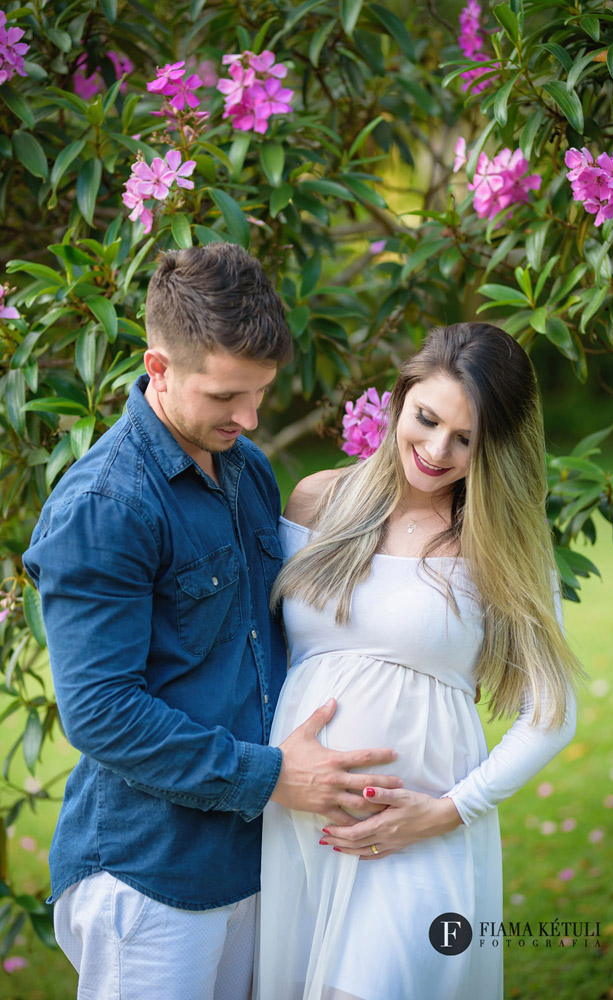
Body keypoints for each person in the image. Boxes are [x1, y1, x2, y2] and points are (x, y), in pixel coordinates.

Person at [22, 243, 402, 1000]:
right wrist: (269, 778)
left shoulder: (246, 468)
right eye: (227, 395)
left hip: (253, 862)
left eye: (260, 392)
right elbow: (100, 714)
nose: (251, 416)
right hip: (150, 875)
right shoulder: (106, 506)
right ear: (156, 367)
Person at [255, 322, 583, 1000]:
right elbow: (267, 656)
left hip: (420, 833)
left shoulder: (499, 544)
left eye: (465, 438)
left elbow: (550, 714)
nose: (437, 450)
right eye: (426, 419)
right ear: (399, 398)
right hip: (298, 825)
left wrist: (445, 812)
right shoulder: (318, 500)